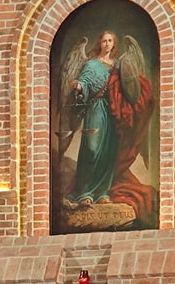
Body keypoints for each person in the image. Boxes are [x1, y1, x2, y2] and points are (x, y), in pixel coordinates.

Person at [62, 29, 156, 226]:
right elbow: (85, 81)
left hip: (113, 110)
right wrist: (79, 85)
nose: (106, 44)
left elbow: (130, 83)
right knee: (92, 148)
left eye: (110, 41)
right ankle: (84, 193)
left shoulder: (119, 65)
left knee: (109, 152)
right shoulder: (92, 63)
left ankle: (102, 192)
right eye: (104, 40)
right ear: (100, 43)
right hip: (96, 108)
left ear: (114, 44)